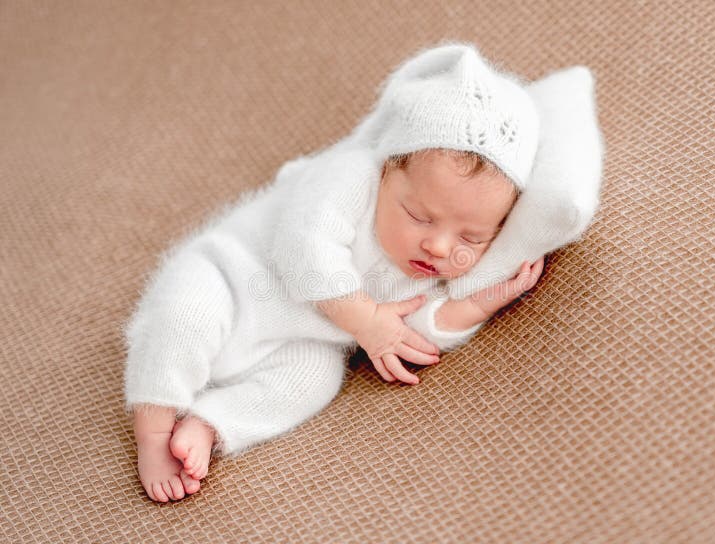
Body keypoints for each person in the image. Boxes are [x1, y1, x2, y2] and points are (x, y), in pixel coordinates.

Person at [124, 42, 551, 503]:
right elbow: (303, 246)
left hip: (300, 339)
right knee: (186, 319)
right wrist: (365, 319)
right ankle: (154, 428)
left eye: (471, 238)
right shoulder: (351, 177)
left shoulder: (432, 265)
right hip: (231, 280)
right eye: (419, 216)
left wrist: (475, 303)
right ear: (389, 168)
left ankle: (210, 423)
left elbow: (411, 330)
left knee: (315, 380)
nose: (440, 245)